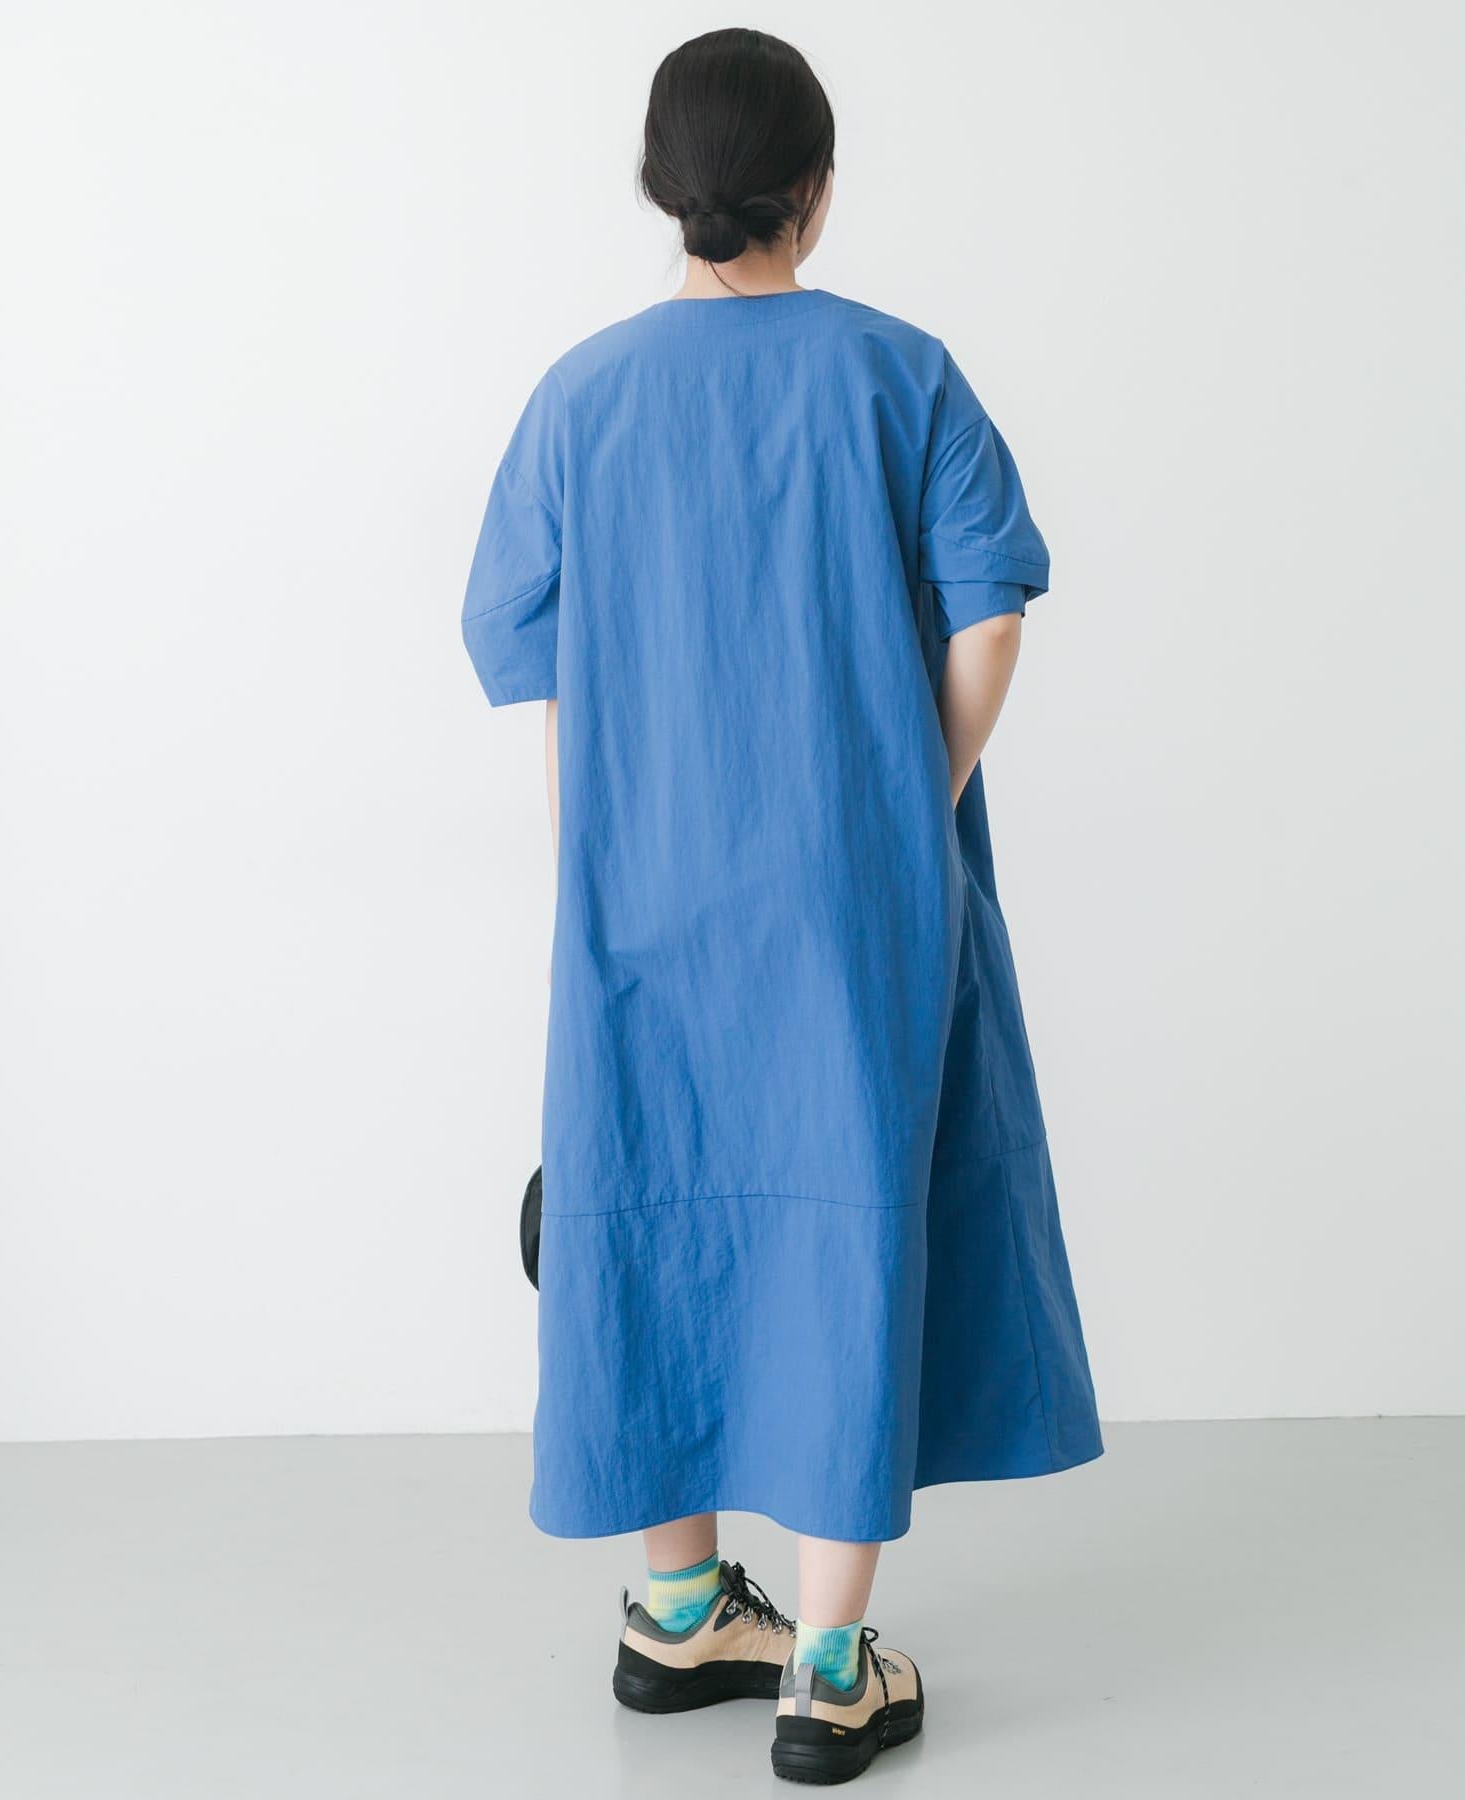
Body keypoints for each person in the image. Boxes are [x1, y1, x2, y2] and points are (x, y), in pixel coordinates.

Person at [463, 27, 1101, 1785]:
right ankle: (828, 1667)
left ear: (660, 187)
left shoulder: (580, 398)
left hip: (636, 895)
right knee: (846, 1214)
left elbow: (536, 661)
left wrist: (604, 850)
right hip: (851, 905)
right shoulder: (900, 374)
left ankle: (678, 1611)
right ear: (816, 190)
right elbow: (990, 614)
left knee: (635, 1202)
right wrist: (914, 798)